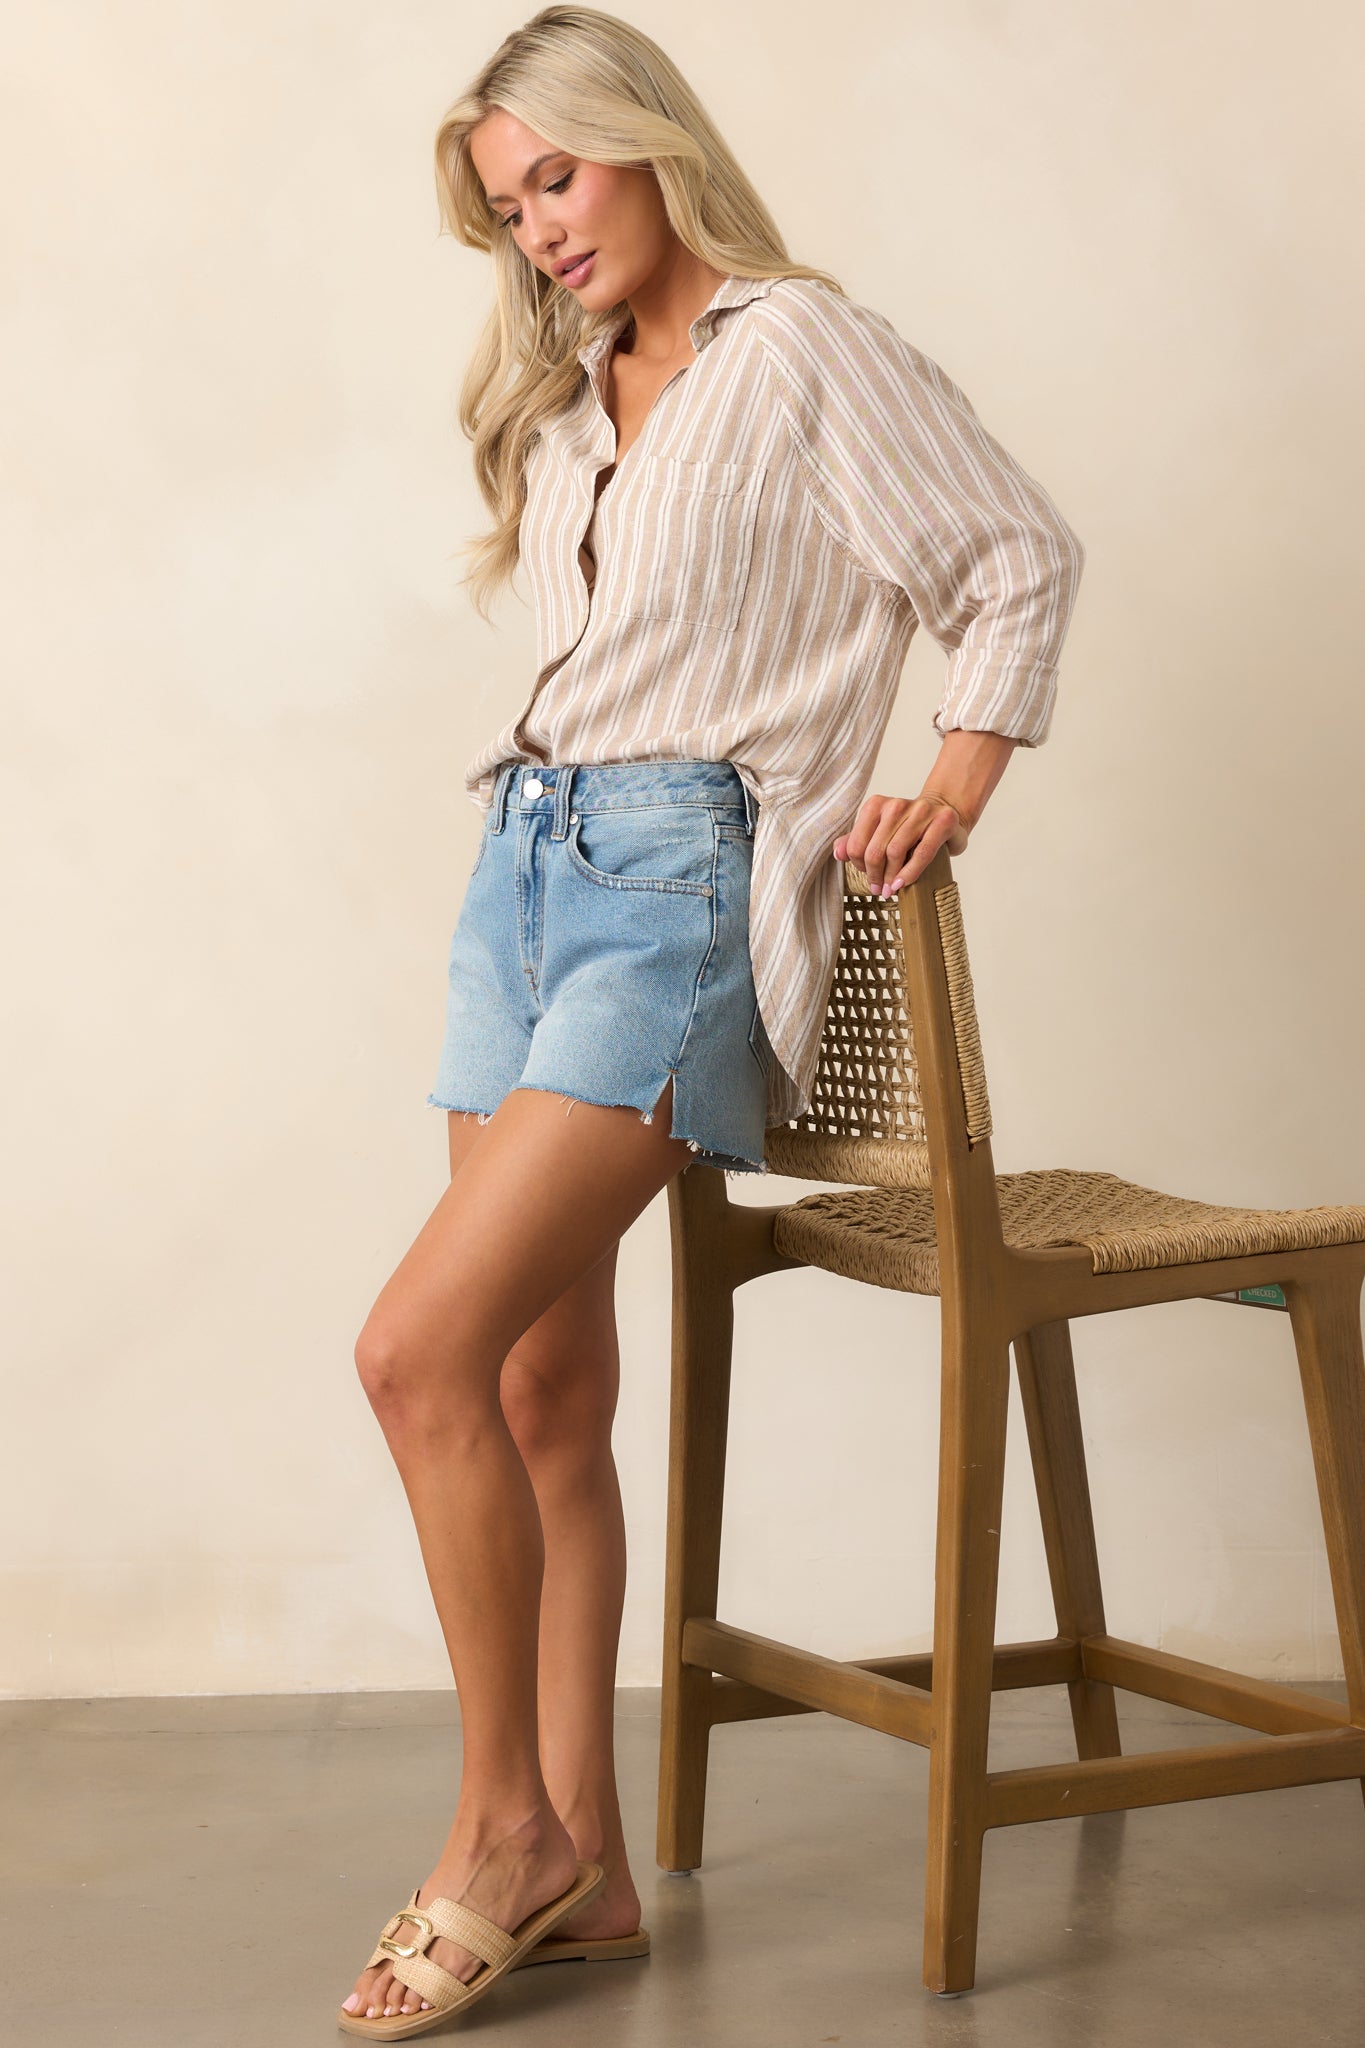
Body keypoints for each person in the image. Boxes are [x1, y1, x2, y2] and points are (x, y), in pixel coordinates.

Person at [339, 5, 1084, 2035]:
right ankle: (582, 1868)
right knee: (530, 1390)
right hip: (518, 869)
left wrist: (953, 776)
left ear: (645, 141)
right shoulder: (575, 400)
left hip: (674, 888)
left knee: (411, 1351)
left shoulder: (799, 347)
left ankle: (495, 1831)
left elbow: (1012, 553)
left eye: (556, 178)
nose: (540, 229)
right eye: (509, 209)